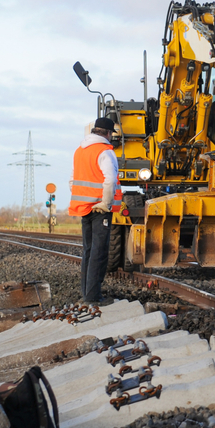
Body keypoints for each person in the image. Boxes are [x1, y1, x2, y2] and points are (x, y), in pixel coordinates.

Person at [69, 117, 123, 304]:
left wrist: (83, 197)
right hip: (100, 209)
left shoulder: (79, 151)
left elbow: (72, 179)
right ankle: (94, 297)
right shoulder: (105, 152)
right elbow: (110, 180)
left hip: (84, 208)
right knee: (99, 252)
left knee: (88, 250)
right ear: (108, 134)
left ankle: (87, 294)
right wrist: (106, 203)